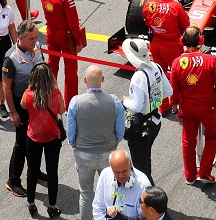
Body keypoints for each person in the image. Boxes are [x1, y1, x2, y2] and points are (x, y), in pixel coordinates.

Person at [168, 27, 216, 186]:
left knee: (188, 142)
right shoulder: (209, 60)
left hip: (188, 108)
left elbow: (173, 89)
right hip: (208, 107)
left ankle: (190, 176)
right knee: (213, 137)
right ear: (200, 41)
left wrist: (175, 108)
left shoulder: (176, 63)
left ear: (182, 41)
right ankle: (205, 172)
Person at [68, 66, 125, 220]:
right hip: (108, 153)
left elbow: (71, 132)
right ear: (103, 79)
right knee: (110, 192)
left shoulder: (76, 102)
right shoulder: (114, 101)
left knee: (86, 194)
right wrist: (115, 143)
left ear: (85, 80)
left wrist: (74, 145)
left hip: (84, 154)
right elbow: (120, 130)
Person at [4, 19, 48, 198]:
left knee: (36, 140)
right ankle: (13, 180)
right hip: (20, 104)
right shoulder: (11, 58)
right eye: (31, 38)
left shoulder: (36, 47)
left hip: (36, 101)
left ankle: (34, 171)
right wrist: (13, 112)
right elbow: (6, 88)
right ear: (20, 38)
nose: (35, 40)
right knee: (21, 143)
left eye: (36, 36)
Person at [120, 38, 171, 181]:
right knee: (145, 159)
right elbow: (168, 91)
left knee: (141, 171)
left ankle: (150, 198)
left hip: (139, 127)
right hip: (155, 122)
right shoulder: (156, 67)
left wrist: (125, 101)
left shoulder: (138, 77)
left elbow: (136, 105)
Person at [21, 62, 67, 218]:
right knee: (52, 172)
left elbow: (23, 106)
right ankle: (52, 206)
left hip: (33, 137)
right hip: (52, 138)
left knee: (32, 170)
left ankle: (31, 203)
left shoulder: (28, 94)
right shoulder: (55, 94)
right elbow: (61, 111)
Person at [41, 0, 85, 105]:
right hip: (66, 37)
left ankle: (48, 99)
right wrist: (78, 41)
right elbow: (73, 23)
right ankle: (70, 105)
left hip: (51, 33)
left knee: (52, 67)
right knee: (71, 71)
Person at [90, 150, 151, 220]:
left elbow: (145, 217)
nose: (121, 176)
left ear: (130, 164)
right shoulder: (105, 174)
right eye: (116, 172)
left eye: (124, 171)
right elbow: (98, 207)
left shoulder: (143, 184)